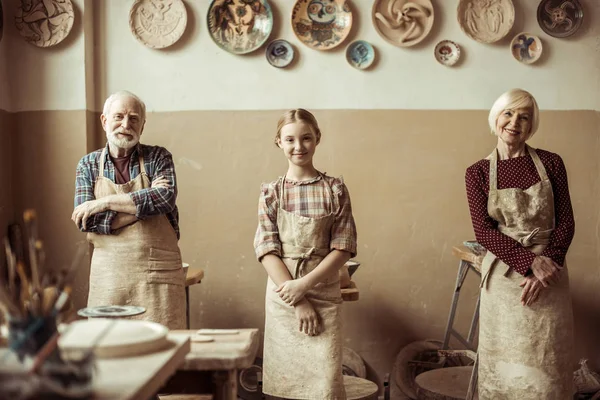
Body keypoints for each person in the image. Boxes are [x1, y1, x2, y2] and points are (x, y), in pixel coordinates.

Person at [465, 88, 575, 399]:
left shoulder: (552, 163)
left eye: (524, 117)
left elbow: (566, 221)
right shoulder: (478, 172)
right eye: (509, 113)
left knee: (547, 363)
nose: (515, 122)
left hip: (551, 276)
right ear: (496, 118)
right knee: (505, 363)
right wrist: (530, 264)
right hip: (503, 279)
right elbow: (484, 232)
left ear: (532, 125)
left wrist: (547, 264)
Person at [254, 109, 357, 399]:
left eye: (306, 138)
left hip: (323, 293)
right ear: (278, 142)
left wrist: (305, 285)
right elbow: (266, 249)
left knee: (324, 387)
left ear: (317, 139)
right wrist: (297, 298)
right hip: (283, 296)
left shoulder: (335, 189)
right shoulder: (271, 192)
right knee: (284, 386)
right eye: (290, 139)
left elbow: (343, 246)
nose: (298, 146)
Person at [72, 90, 185, 330]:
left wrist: (103, 203)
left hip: (158, 275)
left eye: (134, 118)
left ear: (142, 126)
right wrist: (142, 208)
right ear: (104, 121)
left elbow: (165, 198)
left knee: (162, 348)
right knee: (108, 348)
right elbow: (88, 222)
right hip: (109, 278)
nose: (126, 124)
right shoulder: (88, 164)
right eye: (119, 116)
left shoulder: (158, 157)